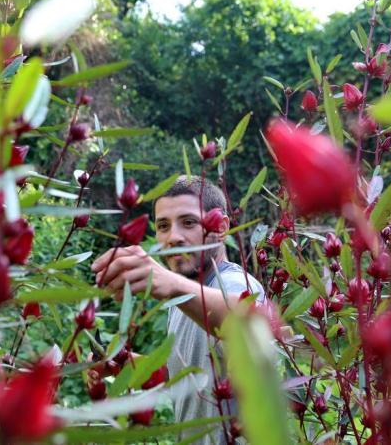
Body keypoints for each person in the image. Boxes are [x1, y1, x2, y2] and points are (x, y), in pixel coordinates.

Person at [91, 175, 264, 444]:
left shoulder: (235, 284)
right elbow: (188, 377)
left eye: (189, 222)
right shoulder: (183, 299)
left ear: (221, 227)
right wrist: (123, 364)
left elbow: (248, 323)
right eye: (163, 226)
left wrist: (172, 285)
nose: (173, 237)